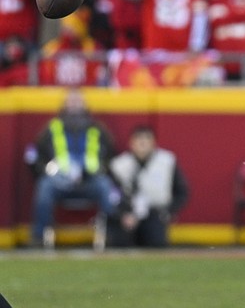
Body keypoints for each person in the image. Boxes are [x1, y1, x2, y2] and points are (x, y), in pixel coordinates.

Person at [27, 87, 116, 247]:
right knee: (44, 186)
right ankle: (38, 237)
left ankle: (113, 235)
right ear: (64, 104)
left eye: (78, 101)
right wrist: (45, 172)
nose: (74, 104)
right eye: (71, 101)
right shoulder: (51, 128)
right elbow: (36, 156)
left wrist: (98, 171)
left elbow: (111, 156)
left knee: (105, 186)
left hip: (90, 180)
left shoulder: (98, 129)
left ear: (85, 104)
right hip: (59, 180)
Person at [107, 125, 189, 248]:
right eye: (139, 139)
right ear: (131, 143)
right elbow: (112, 193)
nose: (143, 143)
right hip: (127, 213)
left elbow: (182, 191)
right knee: (119, 243)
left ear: (153, 143)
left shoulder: (166, 161)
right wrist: (123, 214)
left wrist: (167, 212)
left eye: (146, 139)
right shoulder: (119, 165)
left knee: (157, 243)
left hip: (155, 213)